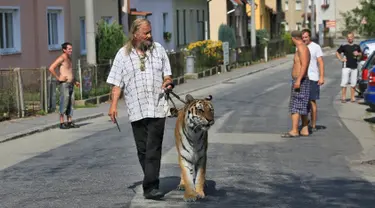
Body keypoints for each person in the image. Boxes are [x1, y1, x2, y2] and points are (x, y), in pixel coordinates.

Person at [106, 19, 173, 200]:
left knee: (153, 147)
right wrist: (113, 106)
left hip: (157, 105)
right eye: (146, 33)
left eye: (150, 32)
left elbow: (167, 74)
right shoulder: (122, 55)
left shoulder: (158, 50)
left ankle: (151, 186)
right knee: (142, 149)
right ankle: (151, 180)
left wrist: (167, 83)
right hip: (136, 108)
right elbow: (117, 84)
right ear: (135, 34)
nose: (150, 36)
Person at [281, 30, 311, 138]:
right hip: (301, 79)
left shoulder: (302, 48)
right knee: (303, 105)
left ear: (294, 38)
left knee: (296, 106)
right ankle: (304, 128)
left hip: (301, 80)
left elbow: (304, 65)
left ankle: (294, 130)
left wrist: (298, 80)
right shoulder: (302, 48)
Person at [48, 42, 80, 129]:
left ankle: (69, 121)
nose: (71, 50)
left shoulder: (69, 58)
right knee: (64, 102)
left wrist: (75, 81)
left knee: (71, 103)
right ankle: (62, 123)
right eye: (69, 49)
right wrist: (58, 78)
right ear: (64, 50)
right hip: (64, 84)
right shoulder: (61, 58)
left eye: (71, 49)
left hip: (71, 83)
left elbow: (69, 71)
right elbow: (51, 68)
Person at [302, 29, 325, 132]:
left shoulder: (316, 47)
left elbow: (320, 62)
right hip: (302, 78)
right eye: (302, 37)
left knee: (312, 102)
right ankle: (305, 123)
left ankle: (314, 125)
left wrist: (321, 77)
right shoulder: (300, 47)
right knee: (303, 102)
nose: (304, 39)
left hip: (313, 78)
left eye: (306, 37)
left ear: (309, 37)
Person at [336, 32, 362, 103]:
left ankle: (352, 97)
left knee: (353, 83)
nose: (350, 38)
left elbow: (361, 54)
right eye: (348, 37)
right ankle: (343, 97)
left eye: (351, 37)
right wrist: (341, 59)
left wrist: (358, 54)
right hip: (346, 66)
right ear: (347, 38)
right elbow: (337, 52)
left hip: (354, 66)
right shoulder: (344, 46)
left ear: (353, 37)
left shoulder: (357, 46)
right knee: (344, 82)